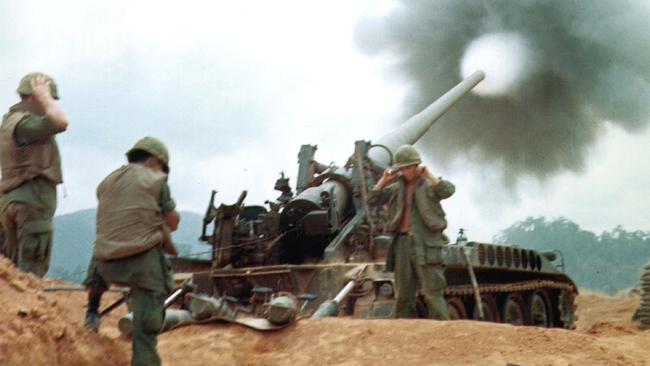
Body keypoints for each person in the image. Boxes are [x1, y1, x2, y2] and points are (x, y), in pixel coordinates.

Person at [84, 136, 180, 366]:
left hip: (103, 265)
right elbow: (173, 222)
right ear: (155, 161)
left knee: (104, 243)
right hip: (140, 266)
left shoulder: (107, 181)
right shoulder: (156, 180)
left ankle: (92, 313)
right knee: (149, 319)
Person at [369, 144, 454, 320]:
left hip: (426, 244)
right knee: (403, 296)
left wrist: (429, 175)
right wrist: (384, 180)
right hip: (402, 244)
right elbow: (371, 199)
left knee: (432, 294)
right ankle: (405, 337)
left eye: (409, 167)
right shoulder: (396, 188)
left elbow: (448, 191)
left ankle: (443, 335)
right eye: (402, 168)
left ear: (417, 166)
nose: (406, 171)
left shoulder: (429, 185)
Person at [0, 72, 68, 277]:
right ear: (33, 97)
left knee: (14, 278)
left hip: (11, 199)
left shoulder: (10, 122)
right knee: (31, 276)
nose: (52, 103)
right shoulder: (25, 123)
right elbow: (60, 122)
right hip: (31, 200)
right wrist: (44, 96)